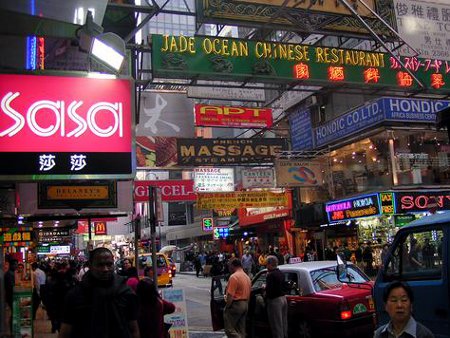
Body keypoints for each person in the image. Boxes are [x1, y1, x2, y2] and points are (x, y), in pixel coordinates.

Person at [58, 247, 140, 338]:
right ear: (90, 265)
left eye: (109, 264)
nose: (105, 269)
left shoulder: (126, 293)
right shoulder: (75, 295)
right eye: (100, 265)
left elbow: (133, 328)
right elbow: (65, 331)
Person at [224, 258, 251, 338]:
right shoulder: (246, 277)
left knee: (229, 329)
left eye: (229, 266)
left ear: (232, 266)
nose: (229, 268)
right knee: (241, 330)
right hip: (245, 304)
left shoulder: (234, 277)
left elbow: (230, 295)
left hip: (236, 305)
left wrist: (227, 307)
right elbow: (249, 292)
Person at [265, 256, 288, 338]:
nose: (266, 266)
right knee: (283, 322)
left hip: (275, 301)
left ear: (270, 264)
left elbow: (269, 291)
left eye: (266, 264)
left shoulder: (270, 275)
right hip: (283, 299)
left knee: (276, 324)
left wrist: (265, 288)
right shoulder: (281, 273)